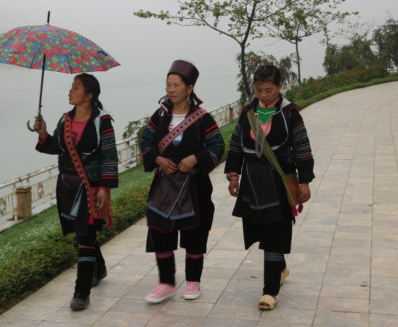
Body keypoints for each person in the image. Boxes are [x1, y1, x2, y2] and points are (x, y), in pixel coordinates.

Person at [225, 64, 314, 311]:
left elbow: (302, 147)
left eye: (268, 90)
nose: (263, 95)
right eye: (259, 90)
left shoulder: (290, 113)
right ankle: (281, 268)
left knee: (275, 232)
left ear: (279, 87)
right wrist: (233, 175)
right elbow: (235, 146)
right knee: (265, 230)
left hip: (278, 181)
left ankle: (269, 291)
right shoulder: (247, 113)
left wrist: (304, 181)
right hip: (253, 182)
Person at [139, 60, 225, 304]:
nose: (170, 89)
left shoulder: (202, 118)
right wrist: (157, 158)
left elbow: (218, 146)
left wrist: (195, 158)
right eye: (168, 84)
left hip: (194, 188)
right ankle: (166, 283)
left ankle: (193, 281)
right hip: (164, 187)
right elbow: (145, 142)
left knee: (195, 234)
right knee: (159, 231)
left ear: (190, 88)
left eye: (176, 84)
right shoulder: (160, 116)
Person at [32, 73, 118, 310]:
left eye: (76, 87)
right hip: (67, 186)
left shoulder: (102, 121)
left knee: (84, 237)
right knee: (83, 234)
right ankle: (98, 269)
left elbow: (110, 155)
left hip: (89, 187)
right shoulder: (65, 120)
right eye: (72, 86)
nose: (70, 91)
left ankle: (82, 292)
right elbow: (56, 148)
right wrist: (43, 132)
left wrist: (104, 187)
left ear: (89, 95)